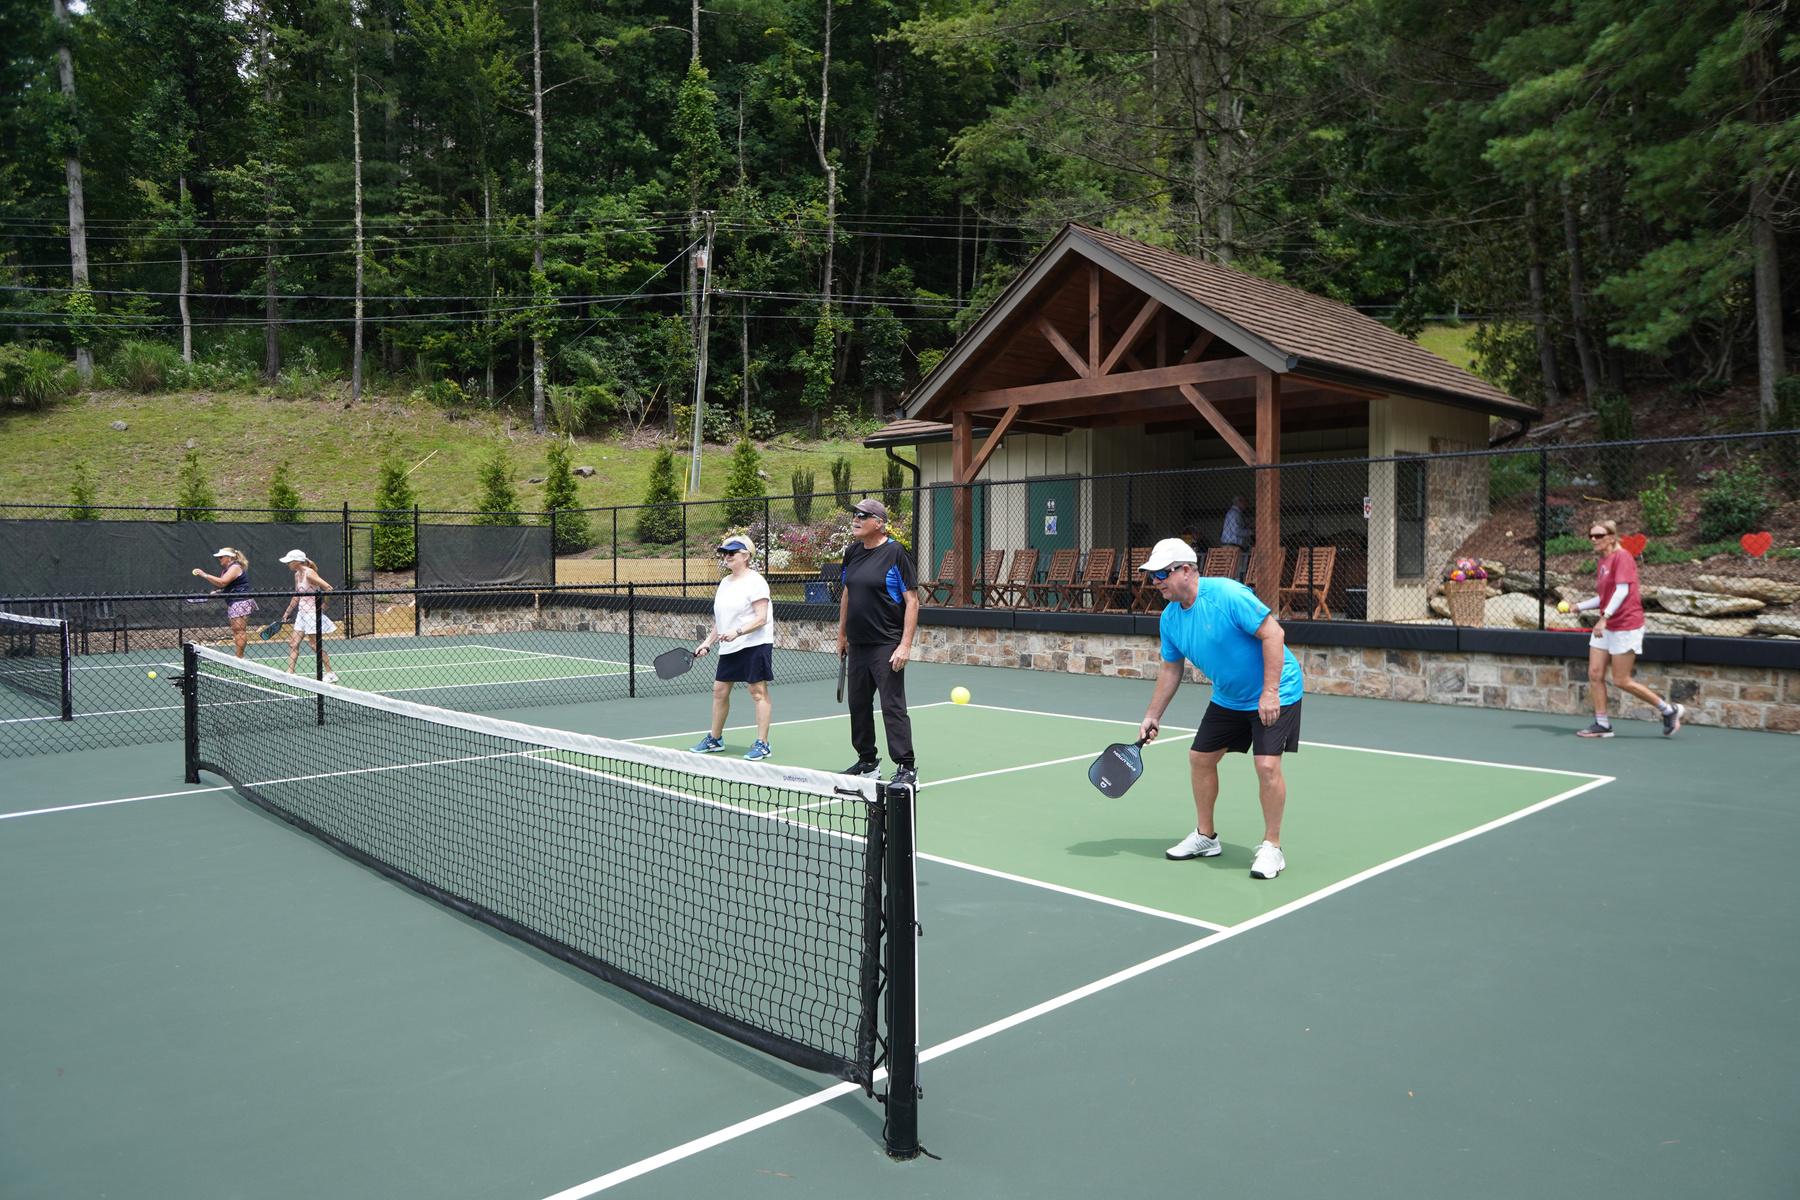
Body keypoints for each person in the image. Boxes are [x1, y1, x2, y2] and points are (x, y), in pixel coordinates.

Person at [1136, 536, 1304, 881]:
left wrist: (1270, 692)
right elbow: (1171, 669)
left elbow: (1274, 634)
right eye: (1153, 575)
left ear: (1186, 570)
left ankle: (1272, 846)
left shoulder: (1227, 595)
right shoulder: (1170, 619)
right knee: (1200, 758)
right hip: (1229, 696)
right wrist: (1153, 715)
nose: (1156, 582)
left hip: (1278, 689)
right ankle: (1206, 837)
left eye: (1162, 574)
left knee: (1267, 765)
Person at [1572, 520, 1682, 738]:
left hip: (1625, 625)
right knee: (1595, 673)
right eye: (1591, 535)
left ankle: (1668, 710)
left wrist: (1604, 618)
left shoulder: (1622, 557)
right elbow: (1605, 597)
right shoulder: (1603, 561)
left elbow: (1622, 592)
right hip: (1607, 625)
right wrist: (1579, 606)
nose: (1593, 539)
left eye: (1599, 535)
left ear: (1612, 537)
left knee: (1621, 680)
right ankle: (1602, 724)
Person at [836, 498, 919, 787]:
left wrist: (905, 645)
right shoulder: (852, 552)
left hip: (887, 644)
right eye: (855, 515)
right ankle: (868, 762)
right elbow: (847, 593)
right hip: (858, 644)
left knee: (892, 705)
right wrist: (842, 635)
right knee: (858, 704)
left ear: (879, 523)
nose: (855, 519)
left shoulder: (896, 553)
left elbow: (912, 601)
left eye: (863, 515)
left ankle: (906, 767)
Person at [689, 535, 776, 761]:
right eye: (724, 553)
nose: (726, 557)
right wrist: (707, 643)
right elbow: (722, 621)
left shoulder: (756, 582)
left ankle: (763, 744)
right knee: (719, 690)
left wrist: (738, 632)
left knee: (757, 691)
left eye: (732, 553)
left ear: (745, 556)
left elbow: (762, 618)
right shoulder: (725, 583)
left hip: (755, 643)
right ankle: (715, 739)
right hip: (731, 645)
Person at [277, 549, 338, 683]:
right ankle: (290, 673)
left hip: (312, 614)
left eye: (289, 561)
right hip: (301, 614)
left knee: (314, 645)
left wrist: (324, 605)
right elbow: (297, 595)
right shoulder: (297, 574)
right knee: (293, 643)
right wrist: (287, 613)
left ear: (297, 562)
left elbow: (328, 588)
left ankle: (330, 673)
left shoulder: (309, 573)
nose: (287, 564)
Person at [192, 547, 255, 658]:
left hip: (240, 601)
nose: (219, 559)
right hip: (234, 602)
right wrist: (218, 592)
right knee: (236, 631)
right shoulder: (227, 569)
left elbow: (222, 582)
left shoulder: (235, 567)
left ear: (229, 558)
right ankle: (239, 657)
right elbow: (227, 586)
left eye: (221, 557)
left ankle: (240, 658)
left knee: (239, 631)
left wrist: (204, 574)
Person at [1219, 495, 1251, 580]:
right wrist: (1250, 532)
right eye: (1245, 501)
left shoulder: (1235, 513)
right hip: (1231, 546)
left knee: (1232, 570)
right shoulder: (1234, 513)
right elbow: (1236, 531)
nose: (1247, 504)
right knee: (1235, 571)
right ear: (1238, 502)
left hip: (1231, 546)